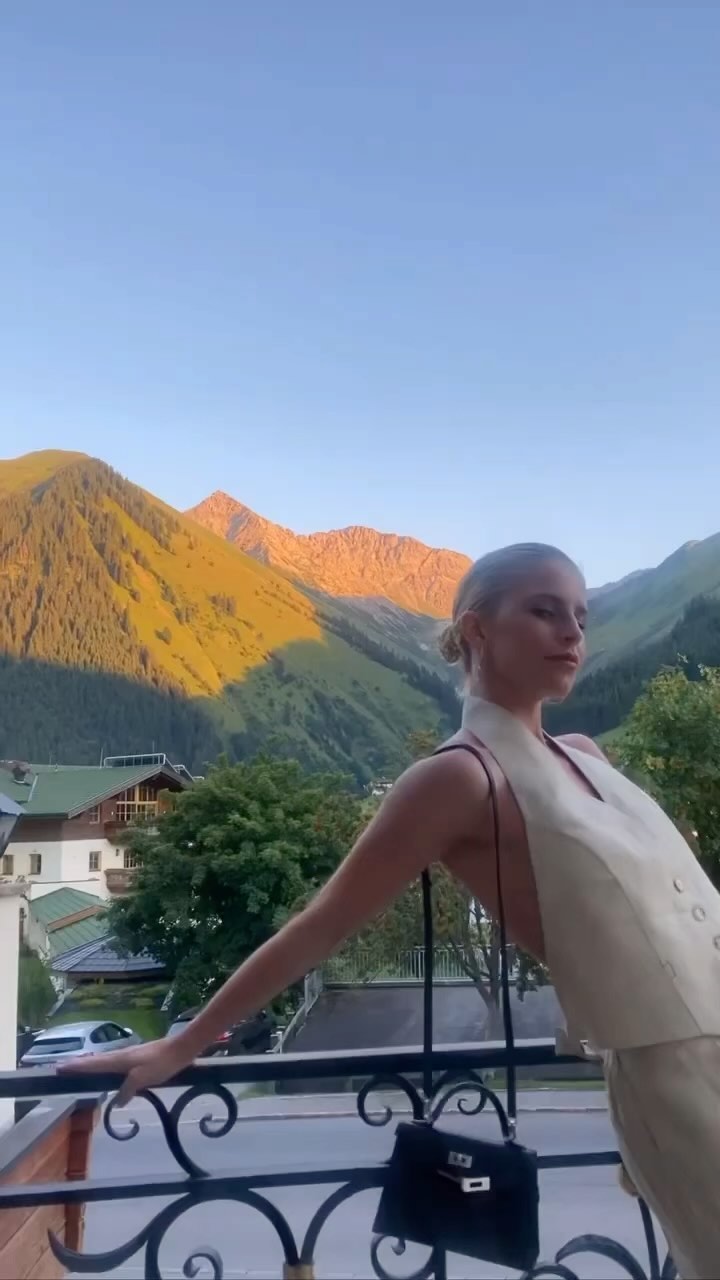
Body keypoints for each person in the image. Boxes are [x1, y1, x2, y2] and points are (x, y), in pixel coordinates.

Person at [62, 542, 720, 1280]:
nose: (572, 633)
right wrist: (182, 1044)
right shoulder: (460, 777)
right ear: (476, 630)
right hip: (677, 1073)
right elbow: (322, 923)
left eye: (581, 617)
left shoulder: (585, 754)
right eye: (545, 612)